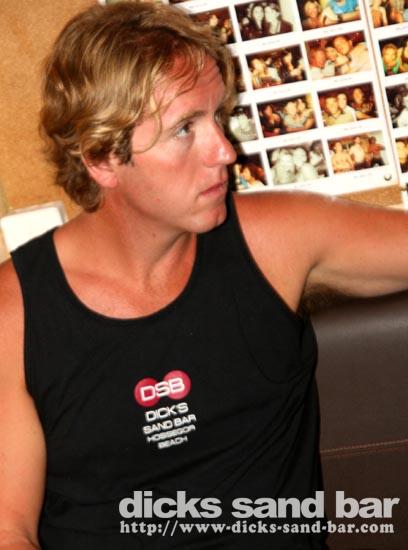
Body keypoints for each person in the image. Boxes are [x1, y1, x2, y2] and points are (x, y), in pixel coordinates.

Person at [3, 2, 408, 549]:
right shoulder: (15, 314)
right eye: (184, 129)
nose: (225, 150)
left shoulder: (274, 240)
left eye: (217, 116)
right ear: (101, 158)